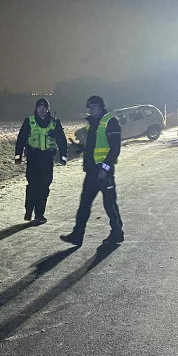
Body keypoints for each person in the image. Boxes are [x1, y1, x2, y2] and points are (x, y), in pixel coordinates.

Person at [60, 95, 123, 246]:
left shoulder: (110, 122)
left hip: (104, 172)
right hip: (91, 171)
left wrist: (105, 168)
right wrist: (80, 148)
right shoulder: (93, 123)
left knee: (109, 204)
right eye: (90, 107)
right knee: (84, 205)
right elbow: (93, 145)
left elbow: (115, 149)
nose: (91, 110)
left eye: (94, 107)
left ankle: (117, 233)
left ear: (101, 107)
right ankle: (77, 235)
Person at [14, 97, 69, 224]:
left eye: (44, 108)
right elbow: (21, 139)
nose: (42, 110)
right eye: (39, 108)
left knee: (44, 187)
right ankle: (28, 210)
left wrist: (63, 156)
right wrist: (18, 156)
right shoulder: (29, 121)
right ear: (36, 109)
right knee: (32, 186)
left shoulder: (54, 123)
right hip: (33, 158)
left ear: (48, 109)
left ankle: (39, 214)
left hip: (47, 159)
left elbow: (62, 140)